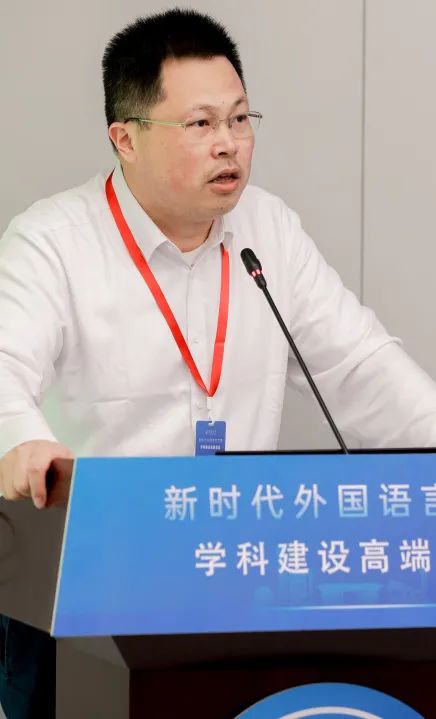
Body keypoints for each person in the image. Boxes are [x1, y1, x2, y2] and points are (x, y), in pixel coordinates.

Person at [1, 7, 436, 717]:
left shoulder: (268, 229)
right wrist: (22, 444)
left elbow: (360, 367)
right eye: (200, 124)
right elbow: (4, 371)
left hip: (235, 576)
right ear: (125, 137)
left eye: (239, 119)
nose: (229, 143)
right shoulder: (54, 242)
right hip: (89, 584)